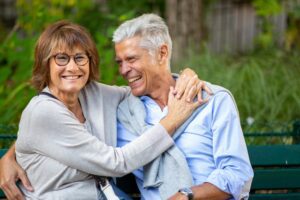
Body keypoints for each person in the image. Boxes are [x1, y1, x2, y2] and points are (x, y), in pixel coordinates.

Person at [0, 20, 208, 200]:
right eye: (61, 58)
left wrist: (185, 75)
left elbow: (144, 86)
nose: (72, 67)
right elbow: (117, 163)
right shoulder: (43, 112)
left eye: (80, 58)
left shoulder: (93, 94)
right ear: (46, 64)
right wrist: (172, 120)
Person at [114, 14, 254, 200]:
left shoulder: (212, 100)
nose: (124, 70)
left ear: (162, 53)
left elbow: (237, 173)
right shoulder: (122, 114)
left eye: (131, 59)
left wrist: (186, 196)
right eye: (120, 62)